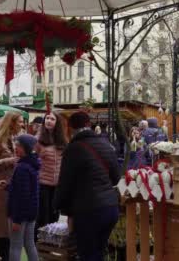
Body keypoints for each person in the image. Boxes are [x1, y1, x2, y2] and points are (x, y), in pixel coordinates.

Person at [54, 111, 121, 261]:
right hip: (110, 208)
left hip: (88, 210)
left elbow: (65, 183)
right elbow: (116, 178)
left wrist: (59, 206)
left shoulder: (73, 149)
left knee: (88, 254)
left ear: (70, 128)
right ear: (89, 125)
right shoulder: (106, 145)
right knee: (98, 252)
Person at [0, 111, 25, 261]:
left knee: (13, 227)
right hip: (1, 187)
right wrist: (9, 160)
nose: (22, 125)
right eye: (20, 122)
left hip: (14, 186)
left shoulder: (16, 139)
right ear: (12, 122)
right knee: (2, 228)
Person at [5, 134, 40, 261]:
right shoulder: (32, 164)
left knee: (15, 246)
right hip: (31, 213)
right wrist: (8, 187)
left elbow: (22, 197)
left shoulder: (22, 168)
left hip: (20, 214)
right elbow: (23, 190)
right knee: (29, 244)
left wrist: (17, 220)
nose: (16, 147)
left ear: (26, 148)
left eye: (19, 145)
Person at [35, 112, 67, 238]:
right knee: (43, 216)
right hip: (42, 184)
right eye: (47, 118)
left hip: (57, 185)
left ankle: (50, 244)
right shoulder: (38, 140)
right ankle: (40, 242)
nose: (49, 121)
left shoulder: (62, 140)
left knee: (54, 216)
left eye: (52, 119)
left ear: (56, 122)